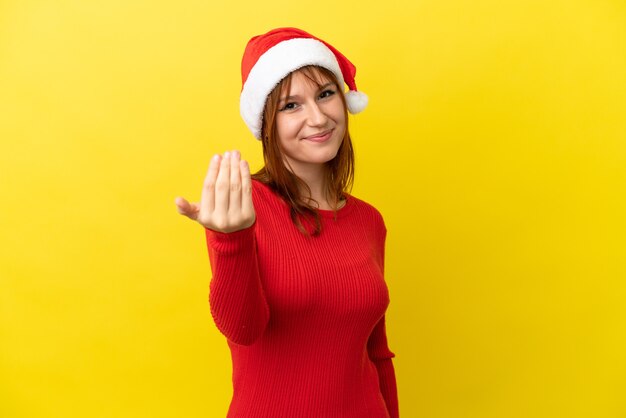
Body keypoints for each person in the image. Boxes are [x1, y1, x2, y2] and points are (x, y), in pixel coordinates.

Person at [175, 27, 399, 418]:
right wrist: (231, 240)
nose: (317, 118)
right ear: (267, 124)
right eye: (291, 106)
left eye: (325, 94)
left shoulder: (369, 221)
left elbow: (376, 353)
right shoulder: (243, 209)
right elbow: (242, 330)